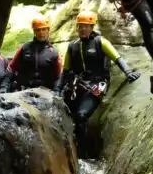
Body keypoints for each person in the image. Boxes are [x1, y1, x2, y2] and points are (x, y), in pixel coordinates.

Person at [53, 10, 140, 155]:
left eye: (86, 26)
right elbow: (66, 71)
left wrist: (128, 72)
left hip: (97, 84)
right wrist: (57, 90)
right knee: (68, 114)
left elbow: (117, 58)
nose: (82, 29)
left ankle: (82, 152)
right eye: (80, 26)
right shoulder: (73, 46)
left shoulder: (100, 42)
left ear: (92, 27)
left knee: (81, 115)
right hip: (78, 84)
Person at [0, 17, 62, 93]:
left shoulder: (54, 52)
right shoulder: (25, 48)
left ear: (48, 31)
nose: (41, 33)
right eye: (38, 30)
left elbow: (58, 76)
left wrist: (56, 92)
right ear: (34, 31)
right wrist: (4, 87)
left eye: (44, 29)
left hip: (43, 93)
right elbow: (11, 68)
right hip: (22, 90)